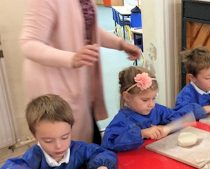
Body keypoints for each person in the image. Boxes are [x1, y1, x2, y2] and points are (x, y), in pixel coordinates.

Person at [20, 0, 142, 144]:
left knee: (88, 140)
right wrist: (72, 58)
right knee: (66, 144)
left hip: (79, 82)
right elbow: (28, 44)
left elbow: (88, 27)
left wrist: (121, 44)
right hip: (55, 84)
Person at [0, 94, 117, 169]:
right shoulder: (33, 158)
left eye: (65, 137)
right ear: (35, 135)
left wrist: (102, 167)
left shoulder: (78, 149)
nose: (59, 146)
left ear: (71, 129)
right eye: (48, 141)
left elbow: (102, 153)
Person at [101, 66, 204, 152]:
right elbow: (108, 143)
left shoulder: (157, 111)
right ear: (127, 97)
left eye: (154, 98)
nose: (151, 104)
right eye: (145, 100)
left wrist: (167, 129)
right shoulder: (122, 120)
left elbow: (181, 117)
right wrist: (142, 133)